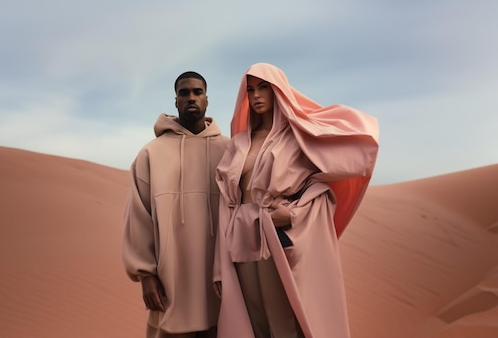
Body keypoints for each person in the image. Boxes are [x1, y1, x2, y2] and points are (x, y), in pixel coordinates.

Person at [212, 63, 379, 338]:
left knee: (283, 320)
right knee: (252, 319)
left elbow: (321, 188)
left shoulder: (295, 138)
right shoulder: (238, 143)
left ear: (278, 91)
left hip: (273, 235)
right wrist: (220, 264)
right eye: (251, 89)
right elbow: (226, 204)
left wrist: (293, 214)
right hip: (240, 236)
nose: (256, 96)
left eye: (263, 88)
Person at [123, 71, 229, 338]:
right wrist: (146, 275)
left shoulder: (230, 151)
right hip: (172, 280)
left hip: (221, 281)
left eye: (197, 92)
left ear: (207, 99)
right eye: (184, 93)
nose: (191, 98)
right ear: (175, 101)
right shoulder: (151, 154)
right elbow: (138, 216)